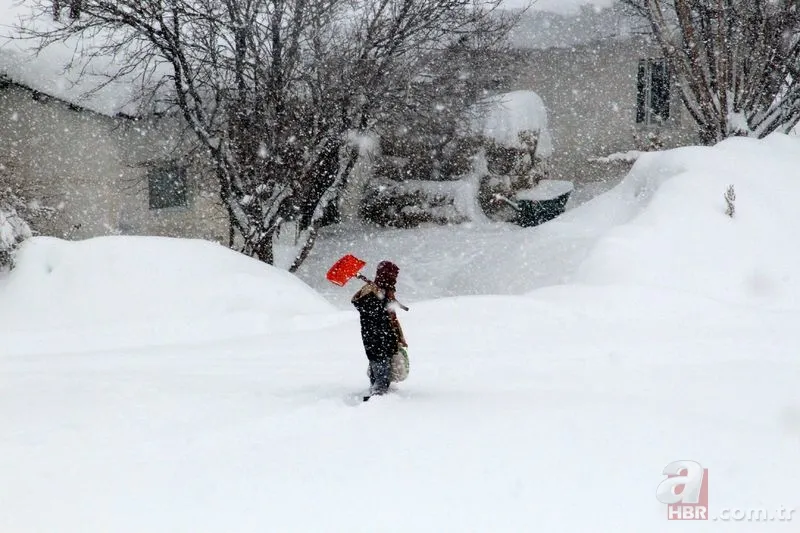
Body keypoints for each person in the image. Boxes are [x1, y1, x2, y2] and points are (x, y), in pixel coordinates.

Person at [351, 260, 407, 398]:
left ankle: (377, 399)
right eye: (392, 275)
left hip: (385, 338)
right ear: (385, 275)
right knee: (381, 375)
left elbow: (388, 316)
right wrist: (382, 302)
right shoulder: (370, 291)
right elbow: (371, 314)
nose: (395, 279)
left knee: (382, 374)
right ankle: (375, 403)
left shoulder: (385, 291)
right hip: (376, 339)